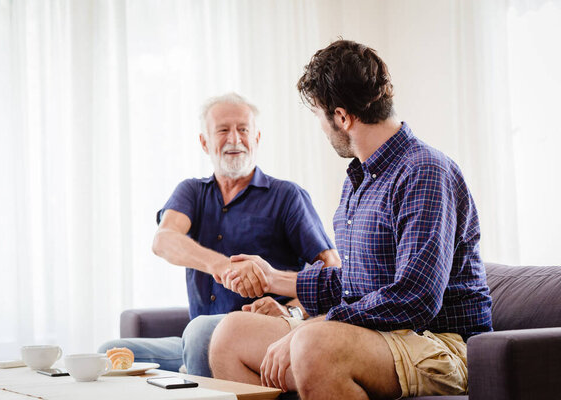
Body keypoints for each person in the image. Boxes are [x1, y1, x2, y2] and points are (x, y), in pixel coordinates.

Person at [209, 41, 493, 399]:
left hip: (441, 344)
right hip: (378, 337)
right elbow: (354, 284)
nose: (322, 129)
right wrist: (275, 280)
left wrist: (309, 329)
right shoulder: (358, 181)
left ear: (342, 117)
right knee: (229, 336)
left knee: (313, 345)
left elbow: (414, 297)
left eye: (320, 117)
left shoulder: (424, 171)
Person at [98, 93, 340, 378]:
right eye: (223, 130)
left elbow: (333, 268)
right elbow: (163, 240)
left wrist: (293, 312)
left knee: (201, 332)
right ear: (205, 142)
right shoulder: (192, 192)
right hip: (195, 336)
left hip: (258, 334)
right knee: (111, 352)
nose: (234, 139)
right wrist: (223, 267)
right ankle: (193, 368)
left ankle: (196, 372)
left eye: (243, 129)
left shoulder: (286, 196)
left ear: (257, 137)